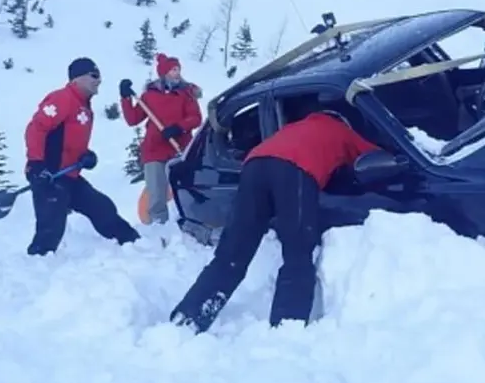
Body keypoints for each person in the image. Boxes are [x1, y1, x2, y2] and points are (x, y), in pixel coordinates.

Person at [169, 108, 381, 333]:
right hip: (294, 170)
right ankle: (286, 327)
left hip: (254, 166)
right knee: (297, 253)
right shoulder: (341, 131)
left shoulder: (294, 127)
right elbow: (377, 157)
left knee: (232, 253)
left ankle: (188, 318)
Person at [23, 57, 140, 255]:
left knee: (102, 208)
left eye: (99, 76)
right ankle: (37, 263)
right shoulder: (63, 99)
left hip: (68, 175)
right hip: (49, 176)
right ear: (77, 79)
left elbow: (66, 140)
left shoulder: (83, 105)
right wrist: (36, 164)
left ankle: (134, 243)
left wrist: (85, 156)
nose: (99, 80)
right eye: (94, 75)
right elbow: (36, 129)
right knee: (51, 229)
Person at [119, 53, 203, 225]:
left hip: (180, 148)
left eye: (178, 69)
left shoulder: (186, 94)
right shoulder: (149, 96)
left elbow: (196, 118)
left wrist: (178, 127)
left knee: (186, 187)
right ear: (164, 73)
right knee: (156, 191)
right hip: (154, 150)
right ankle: (158, 225)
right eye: (173, 70)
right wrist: (126, 98)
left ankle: (189, 222)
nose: (177, 73)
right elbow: (133, 119)